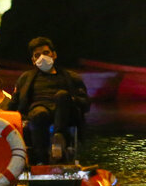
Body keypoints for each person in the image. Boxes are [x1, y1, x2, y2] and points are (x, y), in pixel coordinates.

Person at [11, 37, 89, 165]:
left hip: (64, 112)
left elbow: (85, 103)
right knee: (39, 113)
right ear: (33, 60)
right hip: (39, 110)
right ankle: (41, 159)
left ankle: (59, 138)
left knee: (62, 95)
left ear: (54, 54)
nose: (42, 57)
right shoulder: (25, 79)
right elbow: (14, 103)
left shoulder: (71, 78)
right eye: (37, 55)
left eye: (46, 53)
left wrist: (72, 99)